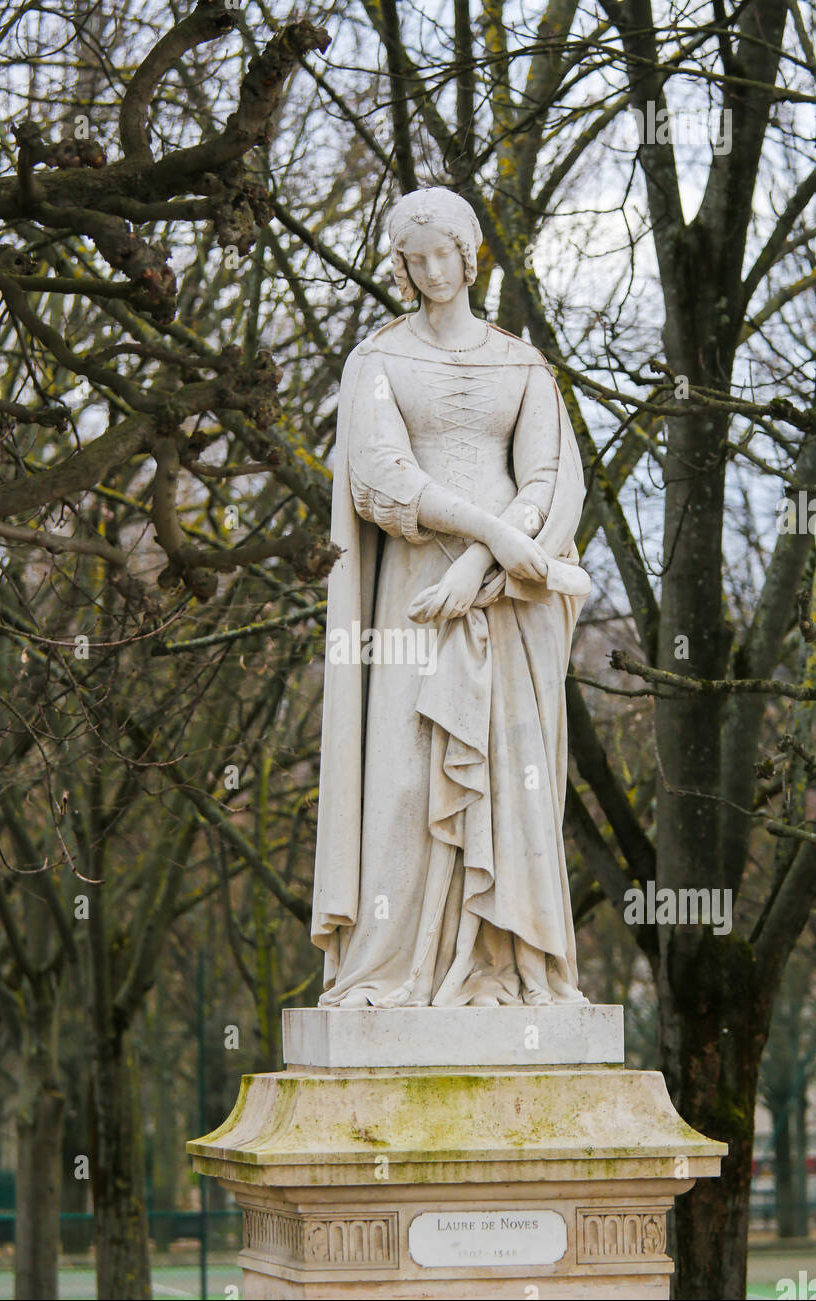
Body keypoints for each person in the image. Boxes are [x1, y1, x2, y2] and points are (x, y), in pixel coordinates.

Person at [311, 186, 591, 1008]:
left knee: (514, 780)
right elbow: (380, 477)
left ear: (471, 255)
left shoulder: (521, 363)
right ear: (401, 266)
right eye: (416, 257)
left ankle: (508, 969)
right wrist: (488, 537)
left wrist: (489, 563)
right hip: (413, 592)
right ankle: (399, 969)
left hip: (512, 603)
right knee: (405, 776)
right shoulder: (379, 361)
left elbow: (549, 477)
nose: (434, 270)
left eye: (446, 253)